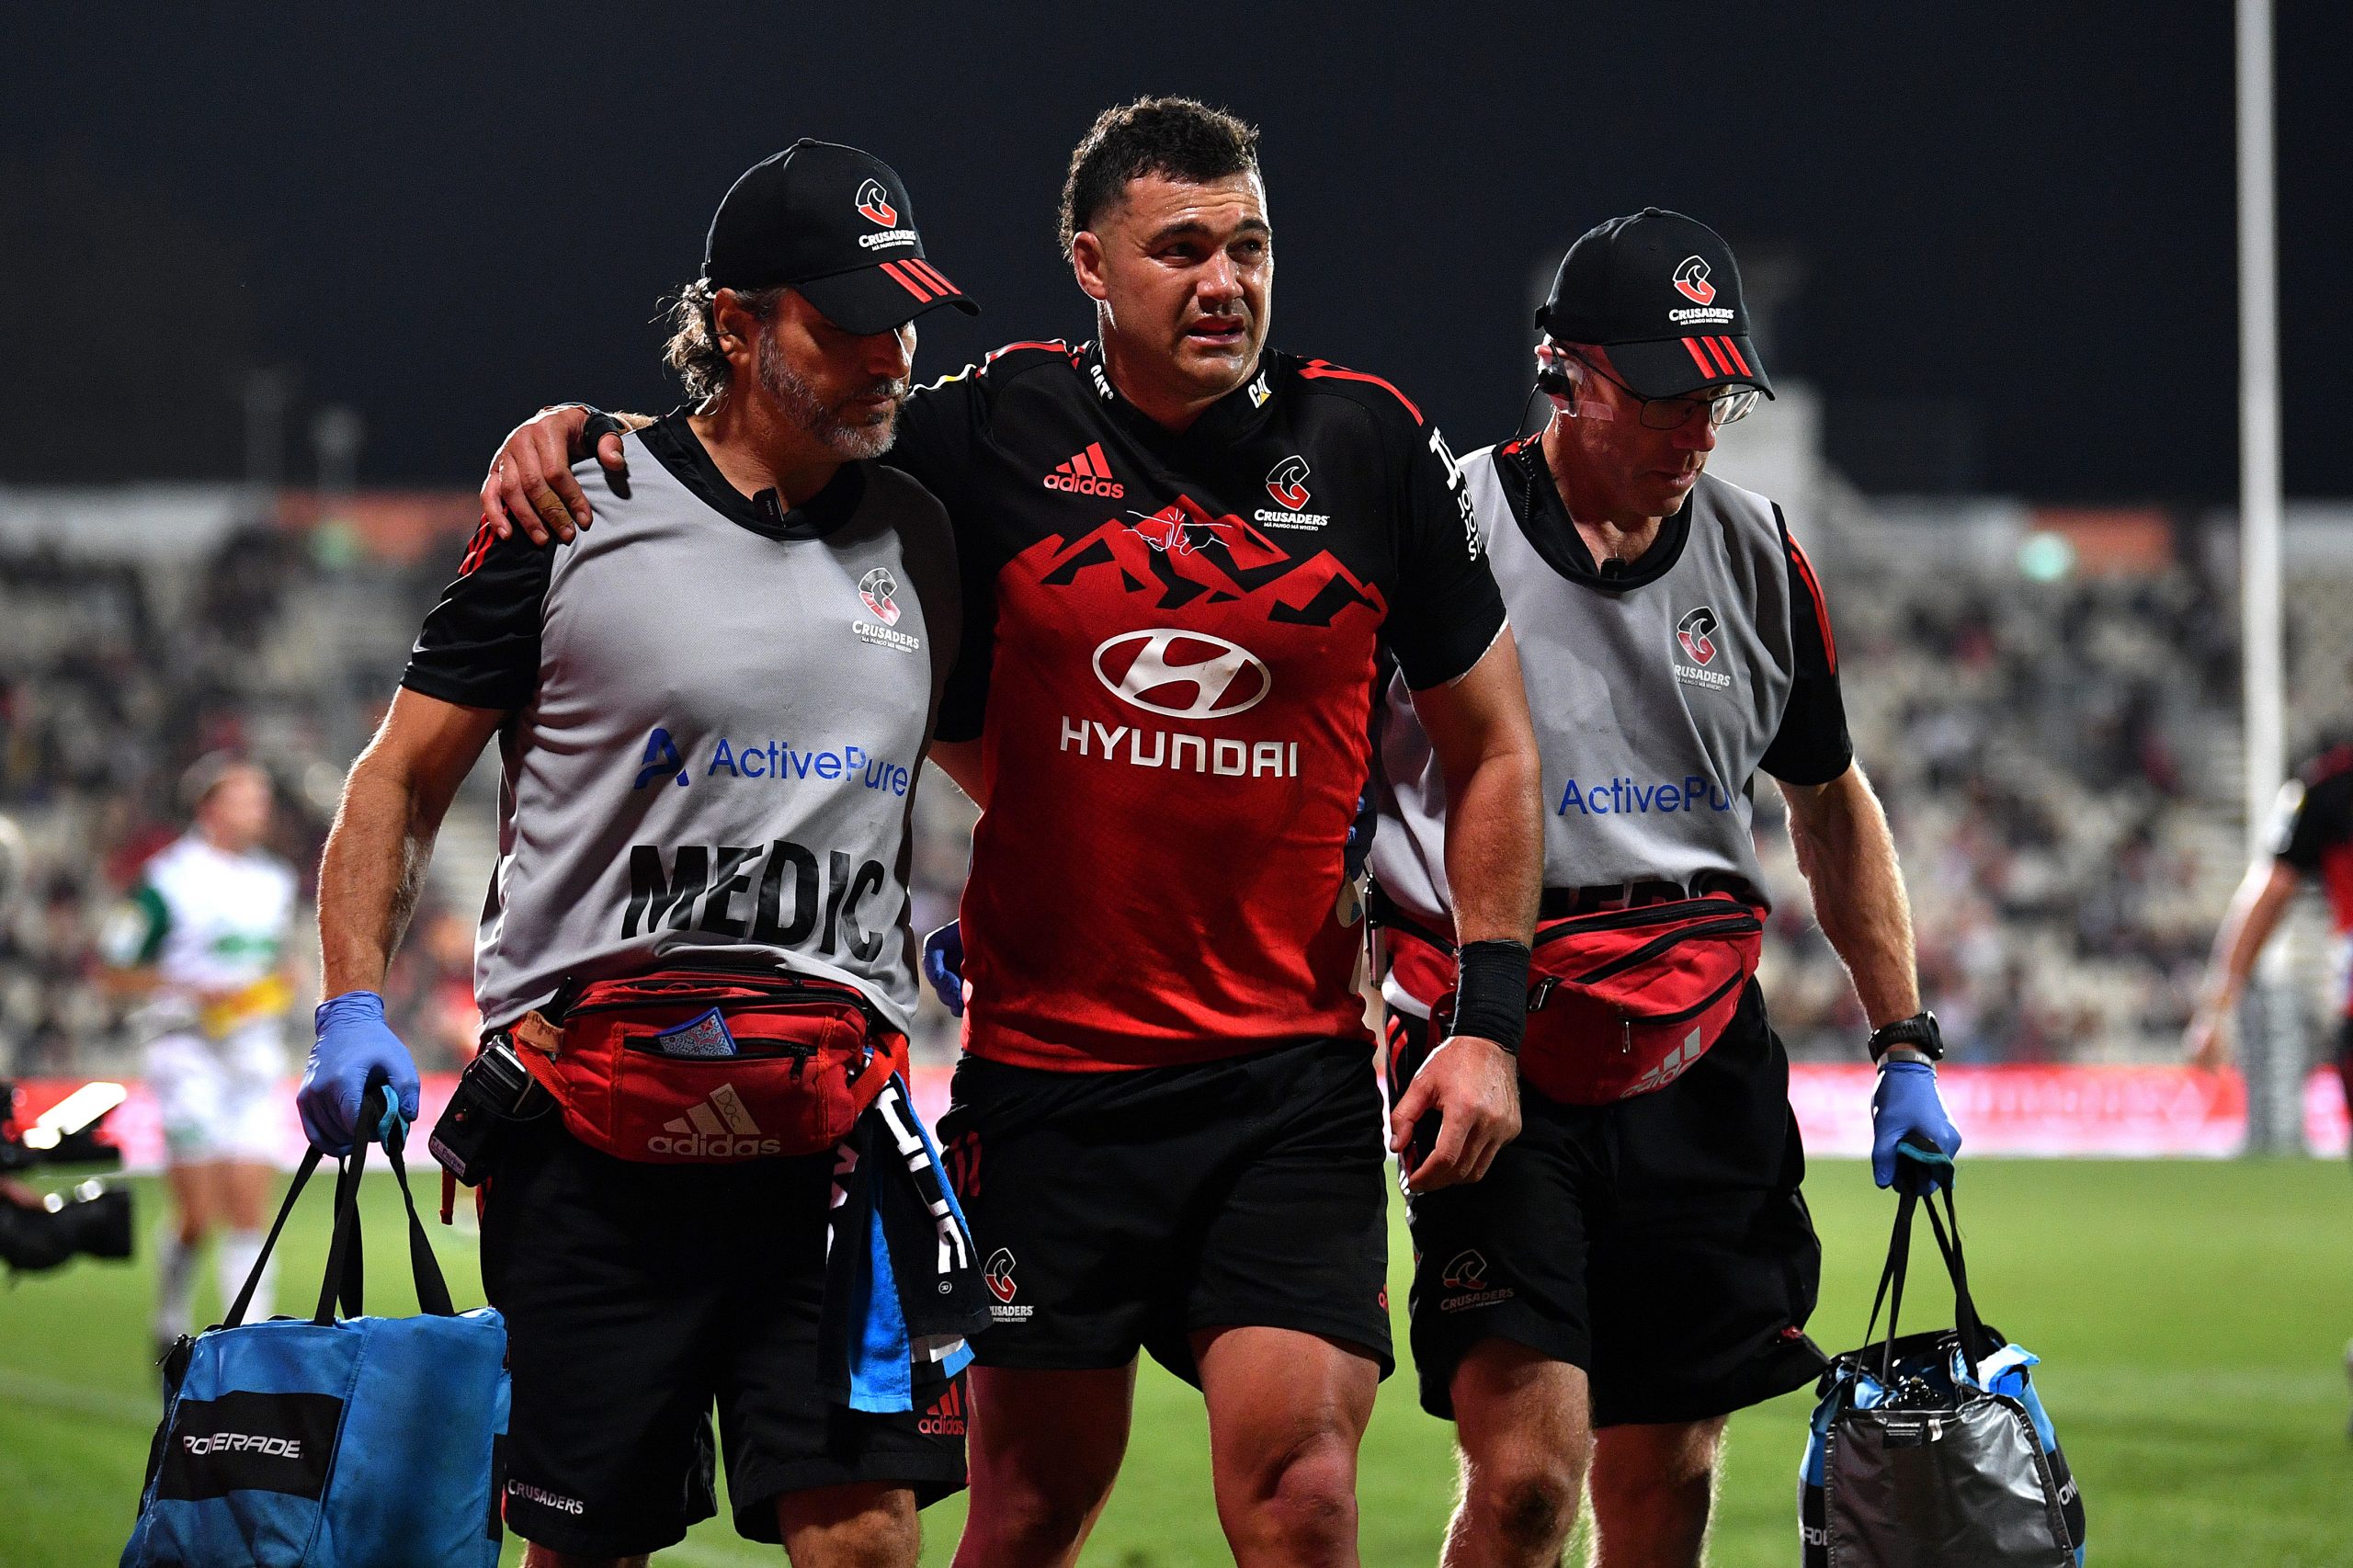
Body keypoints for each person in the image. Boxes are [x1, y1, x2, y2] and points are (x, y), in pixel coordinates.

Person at [478, 97, 1543, 1568]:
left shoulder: (1367, 445)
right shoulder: (978, 431)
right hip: (1046, 1091)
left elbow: (1498, 747)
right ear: (1090, 263)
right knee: (1031, 1506)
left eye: (1250, 245)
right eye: (1181, 249)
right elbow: (767, 426)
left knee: (1303, 1491)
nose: (1224, 280)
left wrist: (1487, 1019)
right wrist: (575, 431)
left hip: (1284, 1085)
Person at [298, 141, 985, 1568]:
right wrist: (353, 1000)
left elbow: (1006, 787)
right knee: (583, 1550)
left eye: (904, 318)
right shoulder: (571, 507)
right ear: (737, 324)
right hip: (589, 1145)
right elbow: (399, 780)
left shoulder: (926, 530)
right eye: (848, 323)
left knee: (864, 1538)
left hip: (832, 1139)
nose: (890, 355)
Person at [1368, 210, 1963, 1567]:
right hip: (1492, 1038)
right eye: (1661, 391)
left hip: (1700, 1054)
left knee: (1672, 1467)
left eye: (1717, 392)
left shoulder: (1759, 552)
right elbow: (1331, 796)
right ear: (1561, 374)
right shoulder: (1439, 529)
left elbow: (1829, 800)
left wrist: (1905, 1040)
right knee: (1525, 1481)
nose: (1696, 427)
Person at [100, 756, 297, 1359]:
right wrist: (194, 992)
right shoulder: (167, 880)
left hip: (251, 1055)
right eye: (247, 798)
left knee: (249, 1209)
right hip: (187, 1055)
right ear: (210, 808)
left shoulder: (275, 882)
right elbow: (112, 966)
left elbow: (277, 962)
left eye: (262, 799)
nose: (259, 809)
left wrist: (283, 980)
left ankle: (252, 1344)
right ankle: (170, 1318)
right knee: (197, 1215)